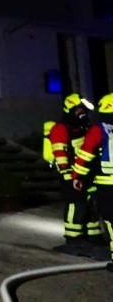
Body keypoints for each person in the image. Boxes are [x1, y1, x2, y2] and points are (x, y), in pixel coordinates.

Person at [45, 93, 101, 255]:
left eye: (83, 109)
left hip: (86, 173)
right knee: (76, 205)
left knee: (92, 204)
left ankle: (93, 235)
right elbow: (60, 153)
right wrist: (68, 175)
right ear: (70, 110)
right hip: (71, 174)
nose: (82, 113)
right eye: (78, 110)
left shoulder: (84, 127)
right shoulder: (60, 129)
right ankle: (73, 238)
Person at [72, 94, 113, 267]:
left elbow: (85, 154)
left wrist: (77, 176)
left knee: (111, 221)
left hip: (107, 185)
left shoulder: (98, 129)